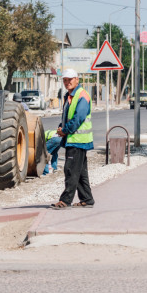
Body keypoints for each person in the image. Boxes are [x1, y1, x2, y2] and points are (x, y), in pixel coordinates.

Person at [50, 68, 94, 209]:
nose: (67, 82)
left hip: (77, 140)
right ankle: (87, 199)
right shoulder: (70, 96)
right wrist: (61, 128)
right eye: (65, 80)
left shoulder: (82, 95)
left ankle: (65, 200)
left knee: (70, 170)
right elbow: (69, 117)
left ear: (77, 79)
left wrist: (65, 130)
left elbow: (78, 119)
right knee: (80, 172)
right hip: (75, 140)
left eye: (70, 79)